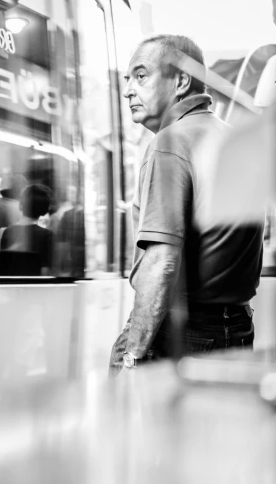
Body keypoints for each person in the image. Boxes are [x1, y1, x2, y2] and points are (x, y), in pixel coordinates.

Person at [109, 34, 264, 375]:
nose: (127, 90)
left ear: (180, 81)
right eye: (127, 79)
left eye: (141, 75)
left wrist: (131, 354)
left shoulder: (171, 141)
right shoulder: (231, 140)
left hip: (185, 332)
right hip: (235, 329)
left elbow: (161, 261)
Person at [0, 184, 53, 277]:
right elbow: (45, 274)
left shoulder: (4, 232)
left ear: (21, 205)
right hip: (32, 290)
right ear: (45, 210)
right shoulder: (47, 236)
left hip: (8, 289)